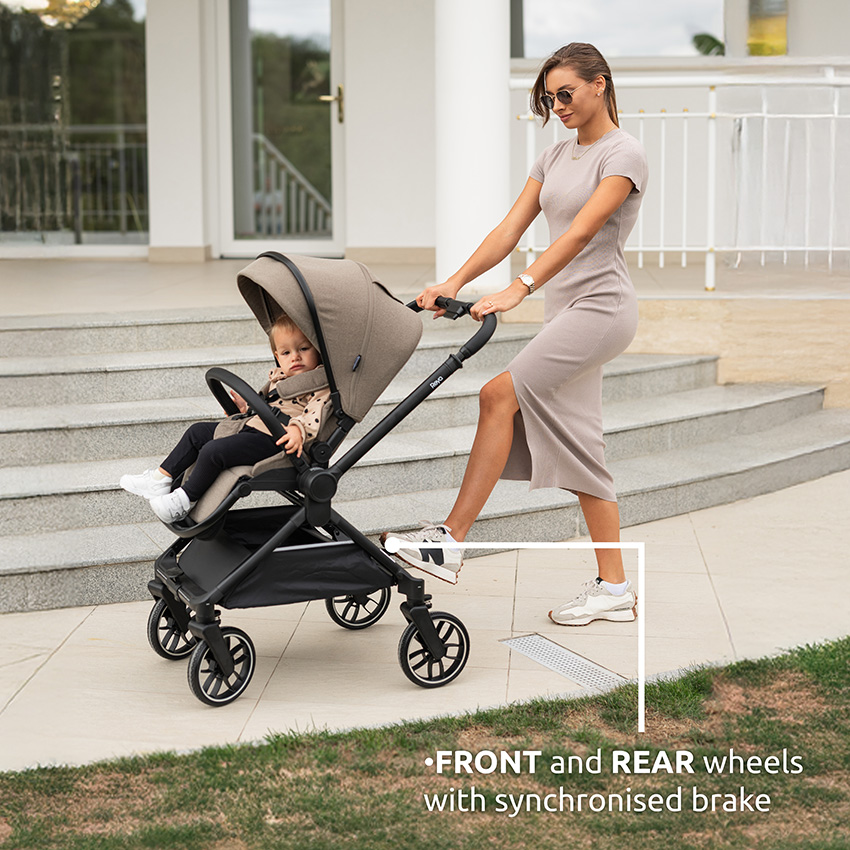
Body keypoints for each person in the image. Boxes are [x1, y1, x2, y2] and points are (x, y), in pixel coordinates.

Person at [385, 43, 648, 627]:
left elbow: (581, 233)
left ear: (600, 84)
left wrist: (519, 288)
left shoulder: (624, 153)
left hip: (601, 308)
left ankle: (450, 540)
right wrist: (453, 282)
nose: (558, 106)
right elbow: (510, 229)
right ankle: (615, 588)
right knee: (583, 448)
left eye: (566, 93)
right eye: (550, 97)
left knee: (497, 394)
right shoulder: (554, 155)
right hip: (567, 311)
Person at [120, 313, 330, 523]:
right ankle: (160, 479)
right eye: (286, 352)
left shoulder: (320, 384)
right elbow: (268, 404)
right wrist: (247, 408)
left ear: (318, 350)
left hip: (277, 441)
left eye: (304, 349)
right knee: (197, 432)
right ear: (277, 355)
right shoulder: (280, 379)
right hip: (253, 427)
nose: (295, 357)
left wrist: (297, 430)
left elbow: (315, 412)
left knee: (214, 451)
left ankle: (184, 500)